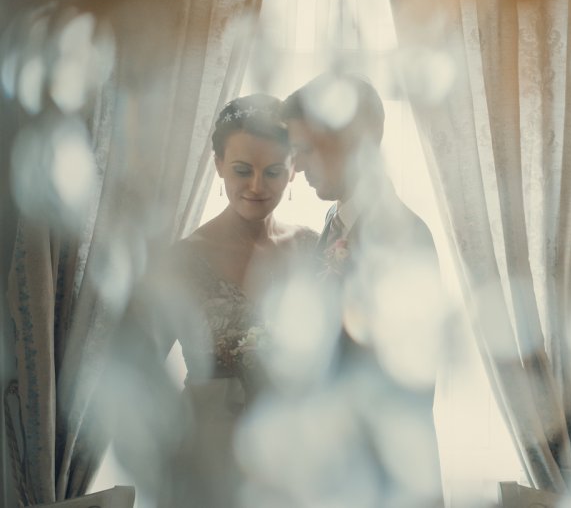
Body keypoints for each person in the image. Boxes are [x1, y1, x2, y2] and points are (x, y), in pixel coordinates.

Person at [134, 94, 319, 508]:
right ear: (218, 164)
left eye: (273, 171)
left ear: (293, 168)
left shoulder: (313, 250)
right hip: (207, 464)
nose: (256, 186)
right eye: (242, 170)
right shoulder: (181, 261)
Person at [280, 73, 445, 505]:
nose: (296, 167)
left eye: (305, 149)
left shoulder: (402, 237)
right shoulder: (332, 224)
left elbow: (405, 386)